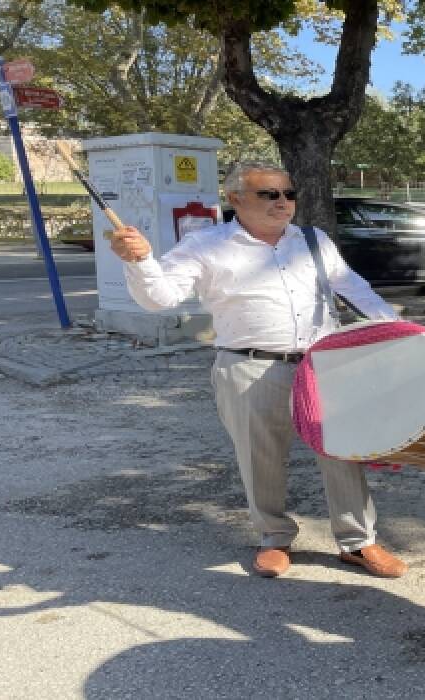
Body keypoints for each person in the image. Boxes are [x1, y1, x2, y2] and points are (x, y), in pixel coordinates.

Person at [110, 160, 409, 580]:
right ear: (235, 199)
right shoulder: (205, 244)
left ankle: (358, 541)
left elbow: (352, 286)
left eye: (288, 194)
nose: (283, 203)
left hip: (322, 365)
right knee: (259, 457)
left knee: (343, 452)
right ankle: (274, 537)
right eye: (269, 194)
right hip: (247, 366)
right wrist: (139, 262)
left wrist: (399, 329)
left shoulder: (312, 239)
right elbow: (159, 298)